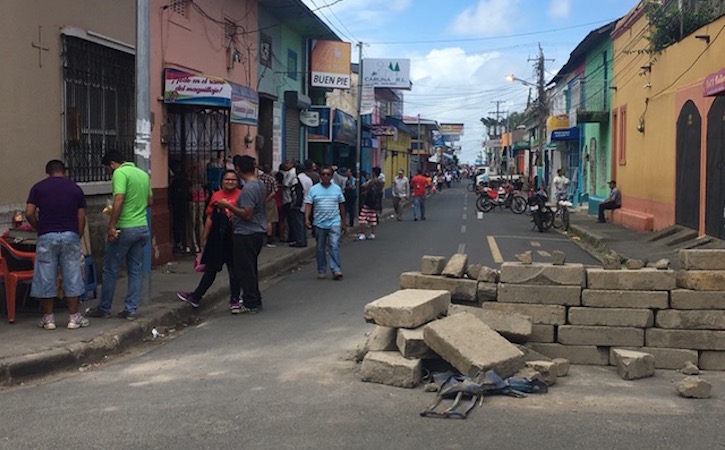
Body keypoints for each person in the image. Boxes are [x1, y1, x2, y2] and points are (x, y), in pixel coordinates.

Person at [25, 160, 89, 330]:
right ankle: (74, 318)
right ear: (64, 171)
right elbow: (81, 216)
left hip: (47, 235)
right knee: (72, 274)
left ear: (48, 172)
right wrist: (78, 234)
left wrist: (39, 227)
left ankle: (49, 319)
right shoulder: (75, 189)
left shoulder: (38, 188)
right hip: (70, 235)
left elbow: (29, 213)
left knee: (46, 275)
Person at [87, 151, 152, 320]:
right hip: (142, 227)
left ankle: (104, 308)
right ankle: (130, 310)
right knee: (135, 270)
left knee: (110, 269)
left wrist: (112, 225)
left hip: (125, 227)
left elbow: (119, 198)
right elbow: (150, 201)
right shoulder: (143, 174)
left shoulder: (120, 173)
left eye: (108, 168)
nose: (109, 172)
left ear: (112, 164)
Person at [177, 170, 241, 309]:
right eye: (227, 179)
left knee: (234, 270)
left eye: (233, 180)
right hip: (217, 238)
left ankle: (235, 300)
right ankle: (196, 297)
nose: (230, 182)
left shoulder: (241, 196)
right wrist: (204, 238)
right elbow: (210, 218)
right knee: (210, 270)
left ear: (237, 182)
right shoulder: (216, 196)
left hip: (235, 238)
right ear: (222, 181)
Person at [216, 155, 266, 314]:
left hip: (246, 233)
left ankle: (251, 302)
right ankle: (254, 299)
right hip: (255, 231)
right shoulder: (259, 185)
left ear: (238, 168)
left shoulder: (250, 188)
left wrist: (228, 206)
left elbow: (247, 214)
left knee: (245, 269)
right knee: (250, 267)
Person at [305, 165, 346, 280]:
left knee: (334, 246)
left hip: (334, 222)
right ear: (320, 176)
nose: (325, 176)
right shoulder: (314, 189)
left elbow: (341, 206)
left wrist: (344, 222)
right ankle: (321, 269)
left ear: (332, 176)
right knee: (320, 248)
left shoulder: (337, 189)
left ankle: (336, 269)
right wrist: (307, 218)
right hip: (319, 223)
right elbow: (309, 204)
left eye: (328, 174)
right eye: (323, 174)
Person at [358, 167, 383, 240]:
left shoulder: (371, 181)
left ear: (374, 173)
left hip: (368, 202)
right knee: (373, 218)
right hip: (375, 203)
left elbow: (364, 187)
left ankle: (362, 234)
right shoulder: (379, 182)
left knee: (362, 218)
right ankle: (372, 234)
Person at [259, 164, 278, 247]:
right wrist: (268, 199)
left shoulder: (259, 179)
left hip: (259, 200)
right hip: (269, 200)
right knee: (269, 220)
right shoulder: (272, 179)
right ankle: (269, 239)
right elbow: (274, 191)